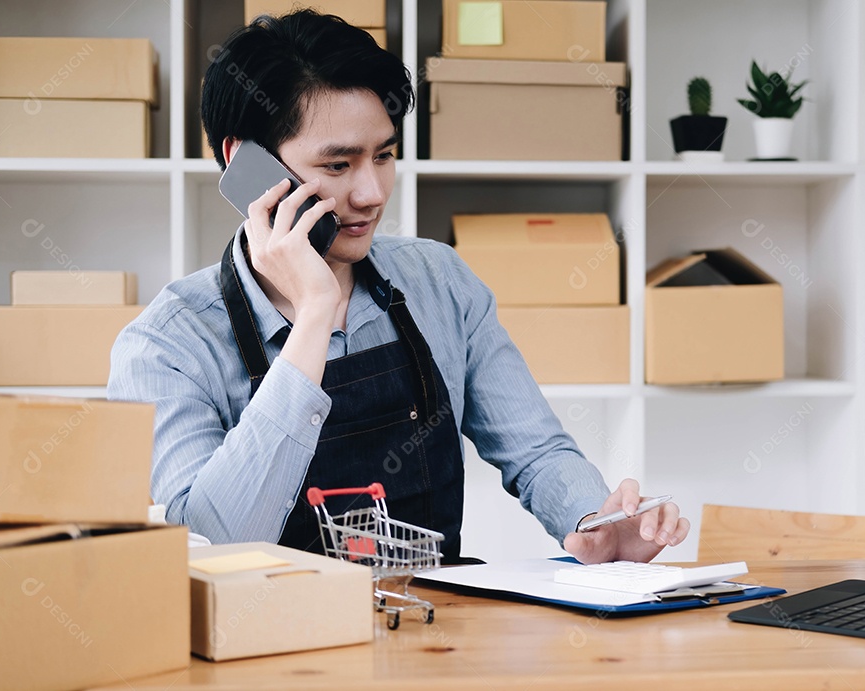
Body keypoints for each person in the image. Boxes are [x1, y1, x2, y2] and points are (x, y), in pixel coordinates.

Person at [108, 10, 689, 565]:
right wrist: (313, 316)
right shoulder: (166, 345)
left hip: (434, 635)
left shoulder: (439, 280)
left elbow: (536, 452)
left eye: (383, 156)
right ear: (247, 165)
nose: (372, 193)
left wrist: (596, 525)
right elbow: (210, 548)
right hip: (270, 651)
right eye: (338, 166)